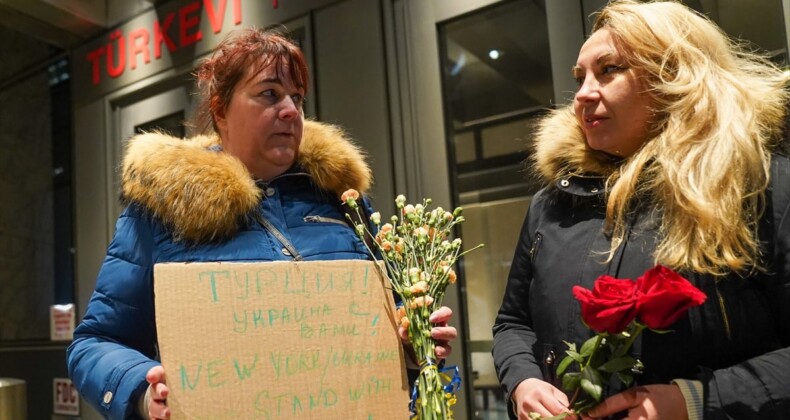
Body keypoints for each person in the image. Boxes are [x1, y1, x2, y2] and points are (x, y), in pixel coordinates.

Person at [67, 27, 457, 419]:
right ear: (220, 110)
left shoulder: (343, 203)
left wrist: (415, 341)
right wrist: (141, 390)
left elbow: (392, 317)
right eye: (269, 93)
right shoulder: (162, 210)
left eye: (297, 98)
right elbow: (95, 343)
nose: (290, 110)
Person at [492, 1, 790, 419]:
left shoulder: (761, 184)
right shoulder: (553, 202)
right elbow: (513, 323)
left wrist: (697, 401)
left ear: (677, 76)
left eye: (609, 69)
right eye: (580, 78)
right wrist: (523, 381)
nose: (582, 94)